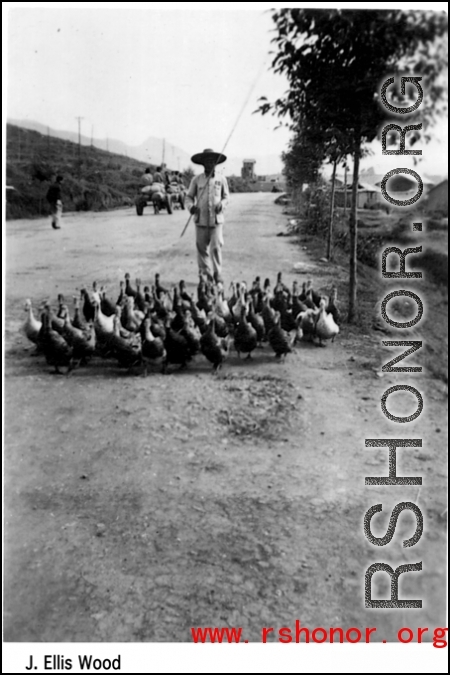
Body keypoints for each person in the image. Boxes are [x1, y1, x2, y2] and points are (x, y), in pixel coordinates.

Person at [185, 148, 229, 284]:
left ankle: (217, 273)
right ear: (203, 164)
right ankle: (205, 274)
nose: (209, 164)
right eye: (206, 161)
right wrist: (191, 207)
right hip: (201, 220)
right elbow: (188, 197)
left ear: (215, 163)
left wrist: (222, 204)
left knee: (216, 247)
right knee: (201, 247)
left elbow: (226, 197)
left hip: (216, 220)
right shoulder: (196, 180)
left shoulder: (221, 179)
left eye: (212, 161)